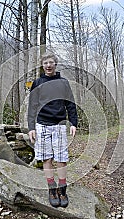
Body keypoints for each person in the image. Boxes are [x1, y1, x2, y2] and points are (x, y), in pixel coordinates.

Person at [27, 53, 78, 208]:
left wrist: (73, 123)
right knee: (47, 159)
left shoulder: (63, 83)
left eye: (51, 62)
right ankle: (52, 189)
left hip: (60, 125)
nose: (48, 65)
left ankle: (62, 189)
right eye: (45, 63)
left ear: (56, 64)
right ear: (42, 66)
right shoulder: (37, 82)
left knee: (61, 159)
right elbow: (32, 106)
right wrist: (31, 127)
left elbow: (70, 104)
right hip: (42, 125)